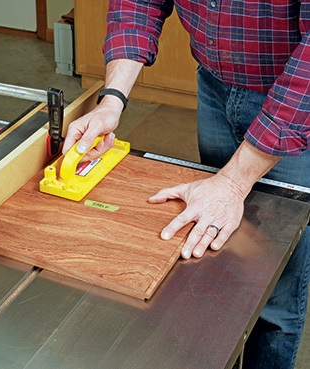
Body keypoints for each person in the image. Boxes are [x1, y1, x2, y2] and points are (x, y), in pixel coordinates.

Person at [62, 1, 310, 368]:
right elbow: (137, 4)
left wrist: (233, 181)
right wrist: (111, 101)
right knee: (220, 256)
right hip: (213, 84)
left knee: (275, 291)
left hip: (293, 101)